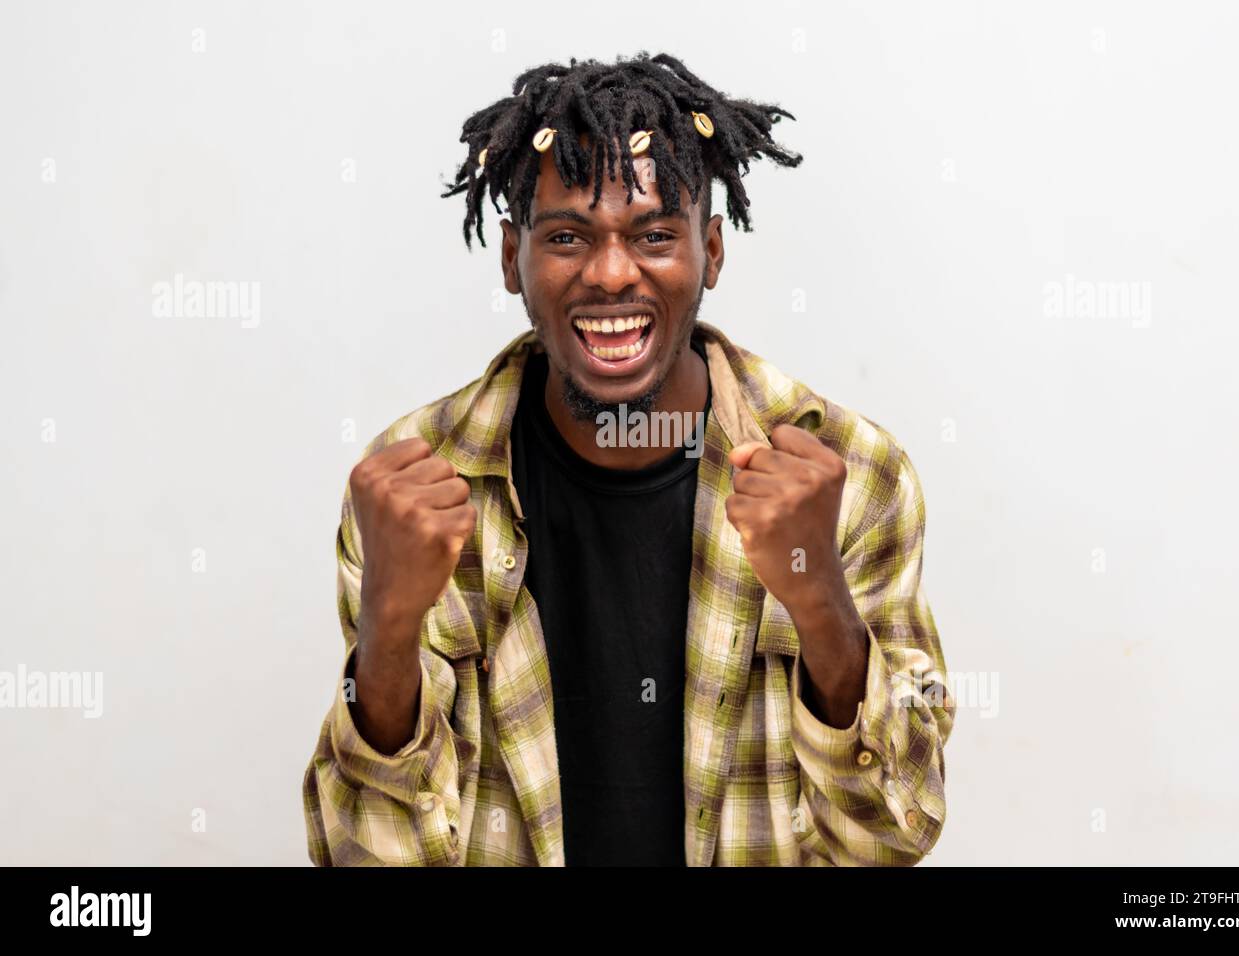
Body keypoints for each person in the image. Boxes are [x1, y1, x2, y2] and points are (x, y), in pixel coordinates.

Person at [302, 51, 954, 866]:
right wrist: (388, 635)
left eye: (654, 235)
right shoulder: (409, 486)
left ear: (711, 252)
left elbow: (894, 832)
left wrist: (819, 597)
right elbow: (365, 855)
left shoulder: (855, 475)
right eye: (569, 236)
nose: (611, 274)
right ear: (513, 258)